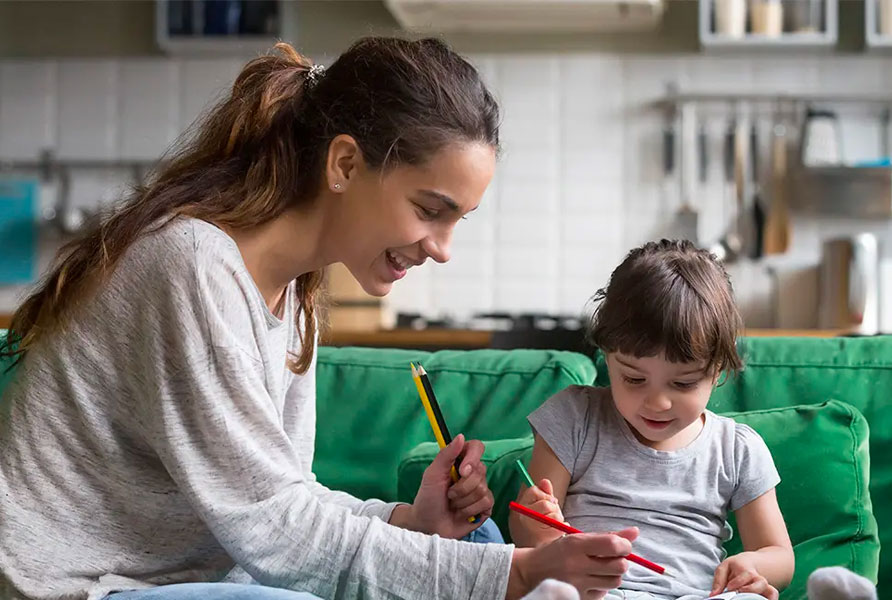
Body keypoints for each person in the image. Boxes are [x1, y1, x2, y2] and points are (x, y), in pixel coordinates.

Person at [0, 37, 637, 600]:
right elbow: (273, 529)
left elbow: (286, 499)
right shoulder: (192, 266)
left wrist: (407, 523)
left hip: (201, 576)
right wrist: (517, 576)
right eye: (429, 209)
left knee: (483, 541)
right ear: (344, 165)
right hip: (84, 583)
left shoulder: (296, 291)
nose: (442, 248)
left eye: (456, 221)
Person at [509, 240, 795, 600]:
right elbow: (526, 532)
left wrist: (754, 567)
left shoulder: (737, 449)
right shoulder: (574, 417)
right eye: (633, 379)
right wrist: (539, 531)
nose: (658, 402)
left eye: (683, 383)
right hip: (594, 593)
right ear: (608, 356)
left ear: (717, 369)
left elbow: (780, 557)